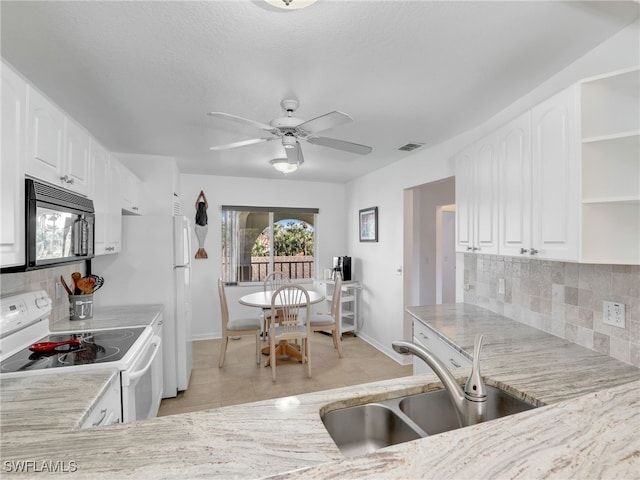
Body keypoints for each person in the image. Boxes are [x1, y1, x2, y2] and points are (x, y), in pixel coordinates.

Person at [194, 190, 208, 258]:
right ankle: (201, 252)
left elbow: (206, 202)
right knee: (200, 240)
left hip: (204, 226)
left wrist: (203, 195)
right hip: (198, 226)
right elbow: (197, 203)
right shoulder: (197, 208)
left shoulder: (205, 208)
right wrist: (200, 196)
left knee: (202, 240)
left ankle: (201, 252)